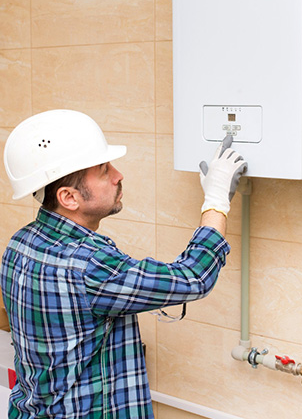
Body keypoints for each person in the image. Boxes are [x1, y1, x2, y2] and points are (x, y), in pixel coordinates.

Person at [1, 109, 247, 418]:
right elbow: (192, 278)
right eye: (104, 170)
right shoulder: (89, 264)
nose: (118, 175)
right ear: (68, 197)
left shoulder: (20, 243)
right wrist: (216, 201)